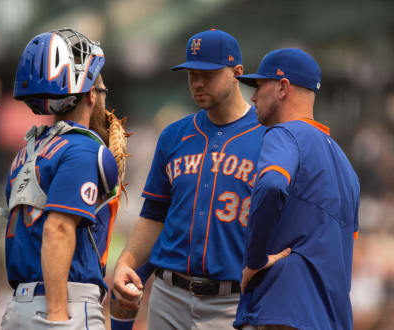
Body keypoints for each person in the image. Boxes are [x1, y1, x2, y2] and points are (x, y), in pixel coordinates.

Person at [112, 28, 267, 330]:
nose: (197, 83)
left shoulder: (268, 136)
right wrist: (127, 262)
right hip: (169, 295)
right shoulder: (174, 135)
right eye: (191, 74)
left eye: (207, 74)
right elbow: (154, 214)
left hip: (232, 302)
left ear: (237, 72)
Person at [1, 28, 121, 330]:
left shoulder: (29, 149)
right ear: (91, 93)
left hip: (19, 305)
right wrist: (57, 316)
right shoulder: (83, 148)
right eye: (102, 90)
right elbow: (58, 230)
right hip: (64, 302)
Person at [233, 48, 360, 330]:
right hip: (332, 317)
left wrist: (254, 260)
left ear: (282, 88)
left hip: (286, 310)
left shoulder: (285, 133)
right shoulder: (347, 167)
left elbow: (272, 184)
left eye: (259, 86)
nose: (253, 97)